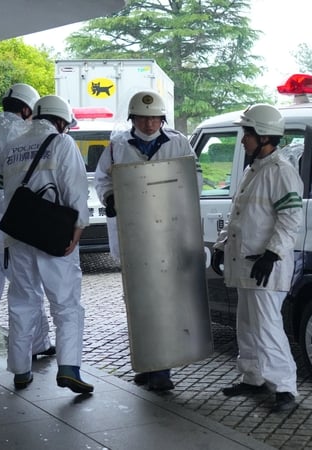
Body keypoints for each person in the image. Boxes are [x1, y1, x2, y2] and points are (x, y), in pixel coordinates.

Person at [94, 90, 203, 391]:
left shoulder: (178, 143)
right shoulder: (117, 146)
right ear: (134, 119)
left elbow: (195, 177)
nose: (150, 123)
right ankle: (145, 361)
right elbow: (102, 178)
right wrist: (110, 196)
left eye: (155, 118)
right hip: (133, 235)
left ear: (162, 119)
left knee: (164, 300)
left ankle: (162, 368)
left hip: (168, 233)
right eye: (144, 118)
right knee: (137, 301)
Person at [0, 95, 92, 393]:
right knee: (66, 303)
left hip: (18, 238)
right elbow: (76, 192)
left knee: (22, 302)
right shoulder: (62, 144)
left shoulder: (11, 148)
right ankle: (69, 368)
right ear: (61, 122)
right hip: (55, 238)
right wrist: (78, 229)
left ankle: (20, 370)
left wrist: (21, 217)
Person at [212, 104, 303, 413]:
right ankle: (252, 378)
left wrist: (273, 253)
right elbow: (238, 216)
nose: (242, 140)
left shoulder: (281, 172)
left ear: (264, 137)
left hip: (266, 268)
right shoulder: (255, 170)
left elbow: (290, 219)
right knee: (247, 325)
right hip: (248, 264)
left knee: (267, 327)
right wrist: (221, 246)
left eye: (247, 134)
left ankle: (285, 388)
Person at [0, 83, 55, 372]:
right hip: (6, 230)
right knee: (26, 289)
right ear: (27, 109)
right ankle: (34, 346)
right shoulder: (17, 134)